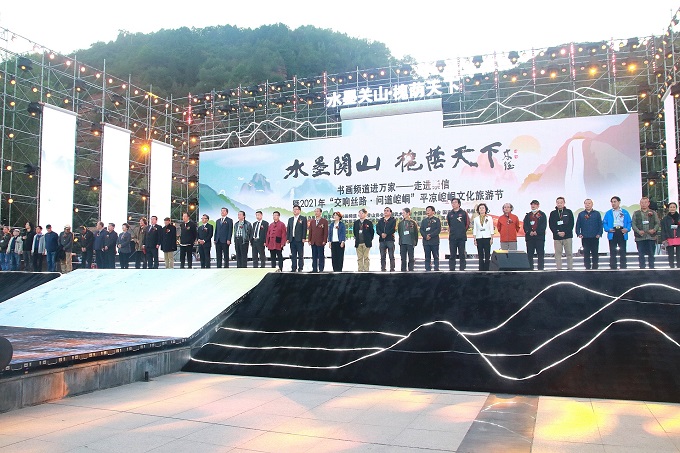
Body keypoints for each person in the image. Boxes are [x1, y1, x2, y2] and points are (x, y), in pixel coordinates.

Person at [602, 196, 632, 270]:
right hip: (613, 231)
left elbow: (629, 222)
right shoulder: (608, 213)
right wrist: (608, 229)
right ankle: (613, 267)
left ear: (619, 202)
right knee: (612, 251)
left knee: (623, 250)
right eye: (612, 202)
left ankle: (623, 267)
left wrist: (627, 229)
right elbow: (604, 223)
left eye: (615, 202)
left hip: (622, 231)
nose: (613, 203)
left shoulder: (625, 212)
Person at [632, 196, 660, 269]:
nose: (643, 204)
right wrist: (638, 231)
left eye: (645, 202)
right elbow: (633, 224)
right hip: (640, 238)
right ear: (640, 204)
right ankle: (642, 268)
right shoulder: (636, 213)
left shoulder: (653, 213)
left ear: (648, 203)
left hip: (651, 237)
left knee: (651, 253)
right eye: (642, 203)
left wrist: (654, 230)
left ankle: (651, 268)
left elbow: (657, 223)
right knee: (641, 254)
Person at [575, 198, 603, 270]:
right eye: (586, 203)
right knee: (586, 253)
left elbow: (600, 225)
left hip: (595, 237)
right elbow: (578, 225)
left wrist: (599, 233)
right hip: (585, 237)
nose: (587, 205)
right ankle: (587, 267)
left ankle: (595, 267)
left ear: (592, 204)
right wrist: (578, 233)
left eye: (589, 203)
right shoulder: (581, 214)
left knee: (595, 253)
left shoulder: (597, 214)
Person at [549, 197, 575, 270]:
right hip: (557, 237)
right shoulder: (553, 213)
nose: (559, 204)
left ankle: (570, 269)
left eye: (561, 202)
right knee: (558, 254)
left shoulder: (569, 212)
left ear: (564, 203)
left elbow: (571, 224)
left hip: (567, 236)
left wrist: (565, 232)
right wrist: (557, 232)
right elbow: (551, 225)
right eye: (558, 203)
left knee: (569, 253)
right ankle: (559, 269)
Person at [522, 200, 547, 271]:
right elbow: (525, 225)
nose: (533, 206)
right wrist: (529, 232)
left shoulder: (542, 215)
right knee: (530, 254)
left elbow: (543, 226)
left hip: (539, 237)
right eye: (532, 204)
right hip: (530, 238)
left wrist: (537, 232)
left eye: (535, 204)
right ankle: (530, 269)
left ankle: (540, 269)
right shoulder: (528, 215)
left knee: (540, 254)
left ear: (538, 205)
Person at [446, 198, 469, 271]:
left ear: (459, 204)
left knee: (462, 254)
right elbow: (449, 224)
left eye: (455, 202)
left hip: (461, 238)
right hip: (452, 237)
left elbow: (467, 224)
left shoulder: (464, 213)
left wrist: (462, 231)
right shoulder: (450, 214)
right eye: (452, 203)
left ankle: (462, 269)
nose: (453, 204)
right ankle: (452, 269)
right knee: (452, 255)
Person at [472, 203, 494, 271]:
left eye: (483, 208)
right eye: (480, 208)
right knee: (480, 254)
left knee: (487, 254)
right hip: (479, 238)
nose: (481, 209)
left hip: (487, 237)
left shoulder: (489, 218)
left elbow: (491, 228)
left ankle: (487, 268)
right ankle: (481, 269)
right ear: (478, 210)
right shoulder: (476, 219)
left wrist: (492, 238)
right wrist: (474, 239)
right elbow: (475, 229)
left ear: (485, 209)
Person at [286, 205, 307, 272]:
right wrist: (287, 238)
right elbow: (288, 229)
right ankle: (293, 267)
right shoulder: (290, 219)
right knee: (293, 254)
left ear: (299, 211)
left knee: (300, 255)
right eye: (294, 209)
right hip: (292, 239)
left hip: (299, 239)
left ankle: (300, 268)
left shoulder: (303, 218)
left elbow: (304, 229)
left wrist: (304, 237)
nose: (295, 210)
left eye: (296, 209)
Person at [421, 206, 442, 271]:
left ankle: (436, 268)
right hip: (426, 241)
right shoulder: (424, 221)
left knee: (436, 256)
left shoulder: (437, 220)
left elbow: (438, 230)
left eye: (429, 210)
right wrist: (425, 236)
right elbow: (421, 230)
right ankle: (427, 269)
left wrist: (430, 235)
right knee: (427, 257)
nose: (427, 211)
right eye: (427, 210)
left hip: (434, 241)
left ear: (433, 212)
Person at [397, 207, 418, 272]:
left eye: (404, 213)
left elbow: (416, 233)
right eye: (402, 213)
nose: (403, 214)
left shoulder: (413, 222)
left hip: (410, 242)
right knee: (403, 258)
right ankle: (403, 271)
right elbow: (399, 232)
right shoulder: (400, 223)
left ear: (408, 213)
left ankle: (411, 270)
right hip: (403, 243)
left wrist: (415, 242)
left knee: (411, 258)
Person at [376, 207, 397, 272]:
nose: (385, 212)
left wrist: (386, 234)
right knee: (382, 256)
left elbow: (393, 229)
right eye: (385, 210)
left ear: (390, 213)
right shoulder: (380, 220)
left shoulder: (393, 220)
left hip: (390, 240)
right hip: (382, 240)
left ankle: (392, 269)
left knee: (391, 256)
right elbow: (377, 229)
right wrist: (381, 234)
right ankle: (383, 269)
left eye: (387, 211)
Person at [308, 208, 329, 273]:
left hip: (320, 241)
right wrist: (309, 240)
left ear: (320, 213)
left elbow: (326, 232)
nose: (316, 213)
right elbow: (310, 231)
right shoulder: (312, 221)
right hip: (313, 241)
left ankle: (321, 269)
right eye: (315, 211)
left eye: (317, 211)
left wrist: (324, 240)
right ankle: (314, 269)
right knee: (314, 256)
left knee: (321, 256)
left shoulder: (324, 221)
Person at [661, 202, 680, 268]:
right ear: (668, 208)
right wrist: (663, 239)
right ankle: (671, 267)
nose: (672, 208)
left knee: (679, 254)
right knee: (670, 254)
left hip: (678, 237)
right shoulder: (665, 219)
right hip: (669, 238)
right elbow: (663, 229)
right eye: (671, 207)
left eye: (674, 207)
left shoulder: (679, 217)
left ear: (676, 208)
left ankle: (679, 267)